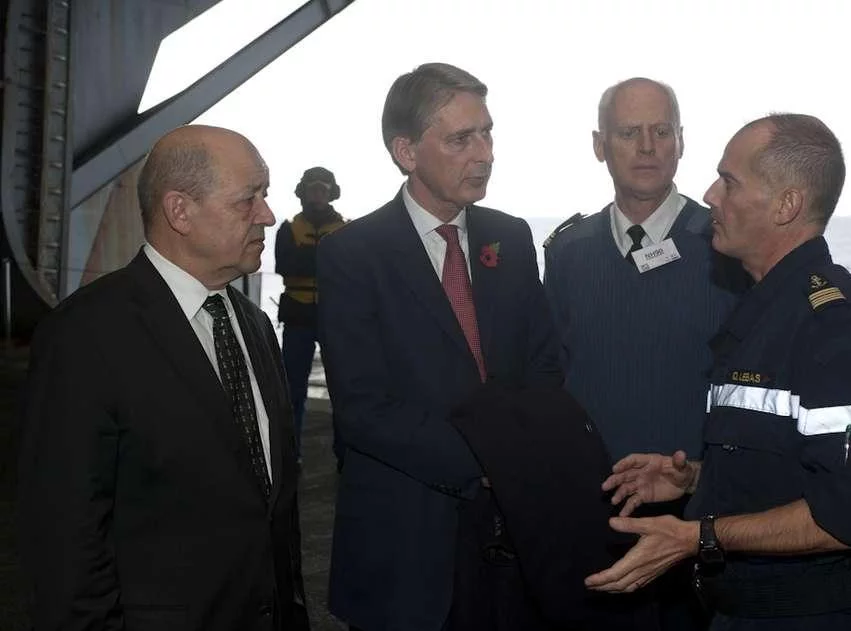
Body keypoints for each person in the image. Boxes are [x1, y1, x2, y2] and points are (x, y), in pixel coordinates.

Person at [585, 114, 851, 630]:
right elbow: (794, 463)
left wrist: (696, 534)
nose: (709, 195)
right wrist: (697, 479)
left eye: (729, 181)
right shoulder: (768, 314)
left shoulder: (836, 328)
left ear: (786, 205)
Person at [17, 125, 309, 631]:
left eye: (265, 195)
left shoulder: (255, 325)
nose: (267, 214)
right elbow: (66, 539)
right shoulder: (84, 336)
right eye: (248, 199)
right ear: (180, 211)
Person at [315, 62, 562, 631]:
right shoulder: (352, 254)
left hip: (512, 538)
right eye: (461, 139)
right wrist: (488, 460)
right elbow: (363, 408)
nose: (485, 153)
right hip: (406, 536)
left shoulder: (512, 236)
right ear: (406, 151)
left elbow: (544, 364)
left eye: (488, 132)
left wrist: (521, 456)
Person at [544, 77, 744, 630]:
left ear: (682, 141)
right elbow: (554, 376)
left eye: (661, 131)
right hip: (595, 507)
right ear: (598, 145)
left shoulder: (727, 244)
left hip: (701, 506)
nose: (648, 146)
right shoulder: (567, 251)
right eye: (629, 132)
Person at [275, 166, 345, 460]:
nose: (317, 193)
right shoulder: (288, 228)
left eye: (322, 188)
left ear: (331, 193)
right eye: (312, 188)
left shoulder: (345, 228)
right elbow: (285, 266)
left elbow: (346, 271)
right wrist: (324, 259)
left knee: (344, 388)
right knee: (292, 389)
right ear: (303, 192)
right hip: (298, 317)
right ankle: (291, 454)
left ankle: (345, 451)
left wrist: (307, 258)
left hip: (335, 318)